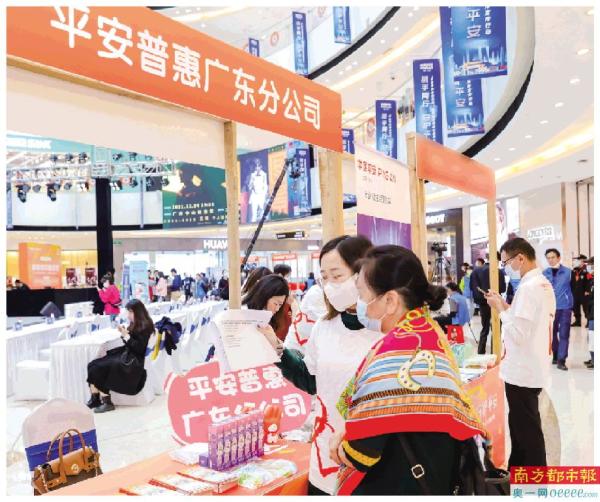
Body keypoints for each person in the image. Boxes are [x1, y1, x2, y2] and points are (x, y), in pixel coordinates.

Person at [329, 245, 485, 495]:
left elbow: (360, 454)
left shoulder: (398, 350)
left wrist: (339, 445)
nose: (359, 305)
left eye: (362, 294)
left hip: (399, 482)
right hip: (433, 475)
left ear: (390, 300)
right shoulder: (427, 330)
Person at [261, 235, 381, 495]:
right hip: (325, 458)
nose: (329, 286)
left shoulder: (386, 330)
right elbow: (311, 380)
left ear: (364, 273)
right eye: (324, 278)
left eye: (337, 276)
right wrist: (277, 348)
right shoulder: (324, 327)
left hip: (372, 462)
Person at [485, 238, 555, 468]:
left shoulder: (528, 288)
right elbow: (526, 321)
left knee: (526, 431)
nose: (506, 268)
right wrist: (504, 305)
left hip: (522, 371)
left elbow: (518, 334)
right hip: (533, 366)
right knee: (521, 426)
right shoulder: (542, 284)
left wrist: (499, 310)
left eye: (506, 263)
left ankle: (534, 478)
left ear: (521, 258)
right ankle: (520, 472)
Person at [86, 299, 154, 413]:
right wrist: (125, 333)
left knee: (98, 367)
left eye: (130, 312)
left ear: (137, 312)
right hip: (129, 356)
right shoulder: (139, 324)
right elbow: (133, 342)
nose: (128, 315)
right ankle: (95, 398)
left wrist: (126, 335)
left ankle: (107, 402)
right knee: (92, 365)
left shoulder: (144, 326)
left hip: (132, 362)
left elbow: (138, 348)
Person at [543, 248, 574, 371]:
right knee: (551, 333)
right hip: (550, 308)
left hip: (565, 307)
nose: (550, 260)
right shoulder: (544, 273)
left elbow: (574, 290)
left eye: (553, 257)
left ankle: (562, 360)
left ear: (558, 258)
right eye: (548, 258)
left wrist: (574, 310)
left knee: (564, 334)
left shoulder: (568, 272)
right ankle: (555, 354)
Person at [469, 253, 506, 354]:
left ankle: (481, 352)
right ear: (497, 259)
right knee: (496, 329)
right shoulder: (498, 272)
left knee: (484, 328)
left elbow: (472, 287)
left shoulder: (476, 271)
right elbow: (503, 288)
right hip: (496, 303)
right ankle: (494, 352)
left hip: (483, 303)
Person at [274, 264, 294, 341]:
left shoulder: (282, 283)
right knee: (282, 328)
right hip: (282, 309)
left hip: (285, 308)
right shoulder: (279, 284)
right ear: (280, 274)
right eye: (288, 275)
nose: (288, 277)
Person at [571, 254, 591, 327]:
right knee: (575, 307)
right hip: (575, 292)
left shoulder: (587, 270)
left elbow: (589, 281)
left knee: (586, 307)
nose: (578, 261)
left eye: (580, 260)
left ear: (583, 261)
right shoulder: (574, 270)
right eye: (578, 260)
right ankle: (577, 321)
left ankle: (589, 321)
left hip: (584, 292)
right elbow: (572, 281)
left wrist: (588, 290)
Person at [584, 257, 594, 369]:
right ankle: (593, 358)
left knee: (593, 338)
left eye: (591, 265)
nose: (589, 267)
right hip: (591, 314)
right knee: (591, 338)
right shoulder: (592, 280)